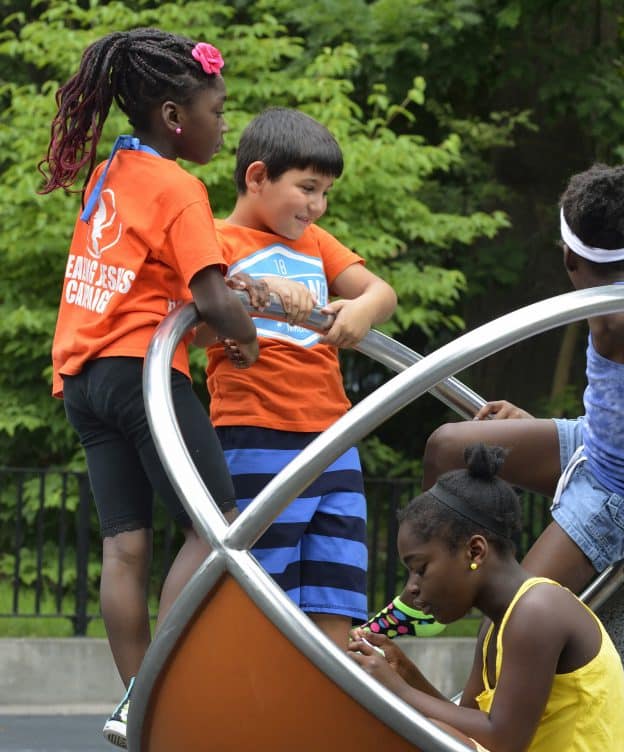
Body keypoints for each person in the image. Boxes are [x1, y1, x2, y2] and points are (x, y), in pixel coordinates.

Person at [363, 162, 624, 637]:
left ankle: (465, 607)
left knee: (512, 628)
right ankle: (432, 587)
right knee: (447, 445)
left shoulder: (618, 315)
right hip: (592, 443)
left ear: (568, 260)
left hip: (618, 493)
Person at [41, 29, 263, 748]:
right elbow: (213, 294)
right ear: (175, 116)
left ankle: (136, 702)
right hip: (143, 374)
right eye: (216, 109)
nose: (223, 123)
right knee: (219, 523)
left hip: (83, 377)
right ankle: (159, 683)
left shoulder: (114, 172)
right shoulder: (179, 186)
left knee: (124, 547)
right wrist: (245, 339)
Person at [203, 107, 397, 648]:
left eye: (325, 193)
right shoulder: (215, 241)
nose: (317, 205)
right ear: (257, 176)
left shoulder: (315, 241)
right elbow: (195, 326)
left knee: (335, 590)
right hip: (256, 430)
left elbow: (381, 292)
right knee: (261, 589)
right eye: (307, 188)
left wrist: (358, 312)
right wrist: (255, 290)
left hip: (334, 439)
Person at [348, 444, 624, 752]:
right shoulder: (495, 627)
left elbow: (502, 740)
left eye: (420, 569)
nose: (412, 588)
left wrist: (399, 692)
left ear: (475, 551)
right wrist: (406, 676)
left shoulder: (539, 611)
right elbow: (467, 726)